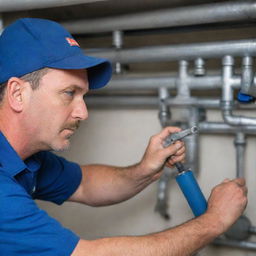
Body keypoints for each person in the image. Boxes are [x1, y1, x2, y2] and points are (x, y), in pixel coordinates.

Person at [0, 18, 247, 256]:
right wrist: (214, 220)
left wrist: (145, 169)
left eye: (83, 96)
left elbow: (85, 184)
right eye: (69, 93)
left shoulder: (28, 158)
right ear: (17, 94)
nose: (83, 113)